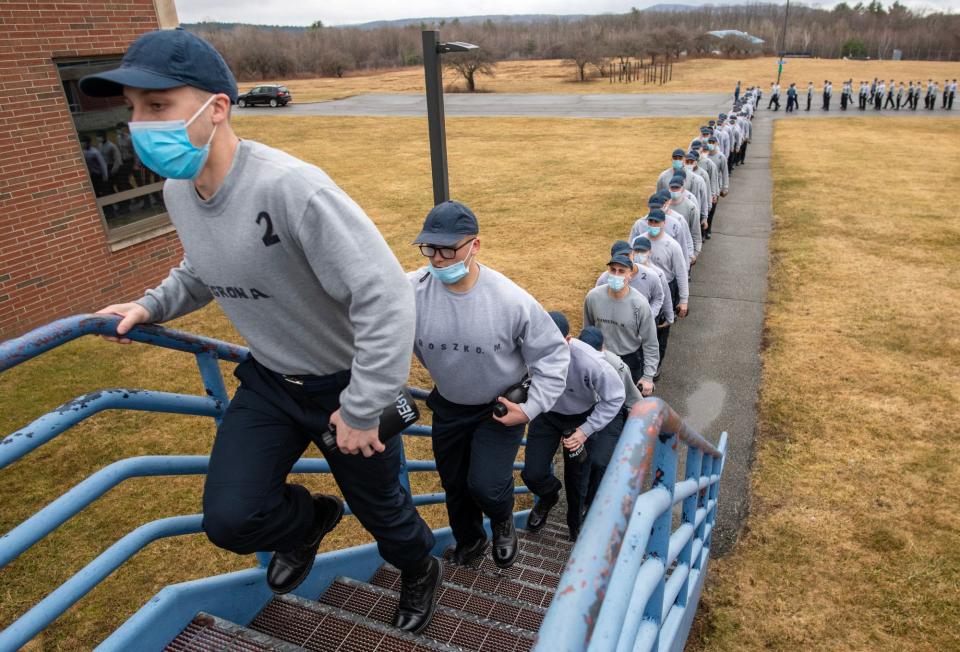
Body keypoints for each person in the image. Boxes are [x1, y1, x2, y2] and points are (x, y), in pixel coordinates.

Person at [80, 28, 441, 634]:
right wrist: (150, 305)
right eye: (134, 109)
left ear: (216, 108)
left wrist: (362, 406)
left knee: (384, 512)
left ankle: (418, 568)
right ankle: (309, 521)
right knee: (229, 518)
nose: (138, 124)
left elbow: (386, 297)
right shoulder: (178, 190)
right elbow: (203, 266)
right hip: (273, 382)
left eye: (158, 106)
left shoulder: (290, 187)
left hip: (345, 388)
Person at [409, 200, 569, 571]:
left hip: (498, 410)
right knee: (454, 484)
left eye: (448, 249)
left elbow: (553, 357)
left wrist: (528, 409)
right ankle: (470, 540)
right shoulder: (411, 292)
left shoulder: (511, 301)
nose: (437, 260)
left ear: (475, 246)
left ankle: (501, 520)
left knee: (485, 484)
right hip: (449, 405)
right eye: (429, 248)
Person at [522, 312, 625, 542]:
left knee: (577, 479)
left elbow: (615, 398)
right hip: (547, 414)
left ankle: (575, 525)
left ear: (567, 339)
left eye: (553, 346)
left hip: (579, 418)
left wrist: (585, 430)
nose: (546, 353)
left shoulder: (592, 362)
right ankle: (548, 497)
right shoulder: (530, 351)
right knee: (532, 473)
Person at [576, 326, 641, 510]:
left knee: (598, 461)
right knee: (579, 462)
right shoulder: (570, 358)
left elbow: (631, 397)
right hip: (583, 411)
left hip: (610, 412)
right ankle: (579, 502)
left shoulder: (617, 365)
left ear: (601, 350)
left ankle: (592, 506)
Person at [583, 253, 658, 393]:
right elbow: (587, 329)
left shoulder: (640, 305)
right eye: (612, 270)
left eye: (621, 271)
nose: (616, 274)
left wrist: (648, 377)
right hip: (602, 359)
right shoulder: (593, 297)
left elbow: (650, 342)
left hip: (629, 361)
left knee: (631, 406)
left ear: (630, 275)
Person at [596, 240, 667, 321]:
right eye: (620, 257)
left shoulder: (651, 276)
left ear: (633, 254)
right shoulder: (604, 279)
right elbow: (597, 301)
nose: (625, 259)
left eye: (627, 255)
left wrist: (648, 318)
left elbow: (658, 298)